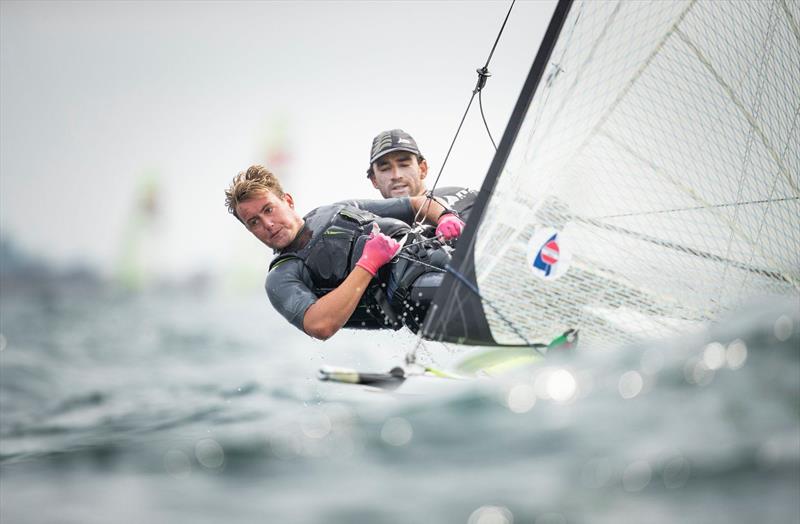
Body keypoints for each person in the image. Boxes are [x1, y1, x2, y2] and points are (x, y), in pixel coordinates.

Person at [225, 165, 466, 340]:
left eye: (269, 209)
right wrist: (369, 263)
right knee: (467, 286)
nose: (267, 224)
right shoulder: (282, 275)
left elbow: (415, 204)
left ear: (287, 201)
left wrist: (445, 216)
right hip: (414, 294)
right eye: (254, 222)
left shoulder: (334, 210)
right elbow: (319, 326)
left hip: (436, 249)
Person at [366, 129, 478, 221]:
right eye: (385, 169)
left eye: (404, 165)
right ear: (374, 180)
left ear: (422, 169)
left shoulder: (464, 198)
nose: (396, 175)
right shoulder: (373, 228)